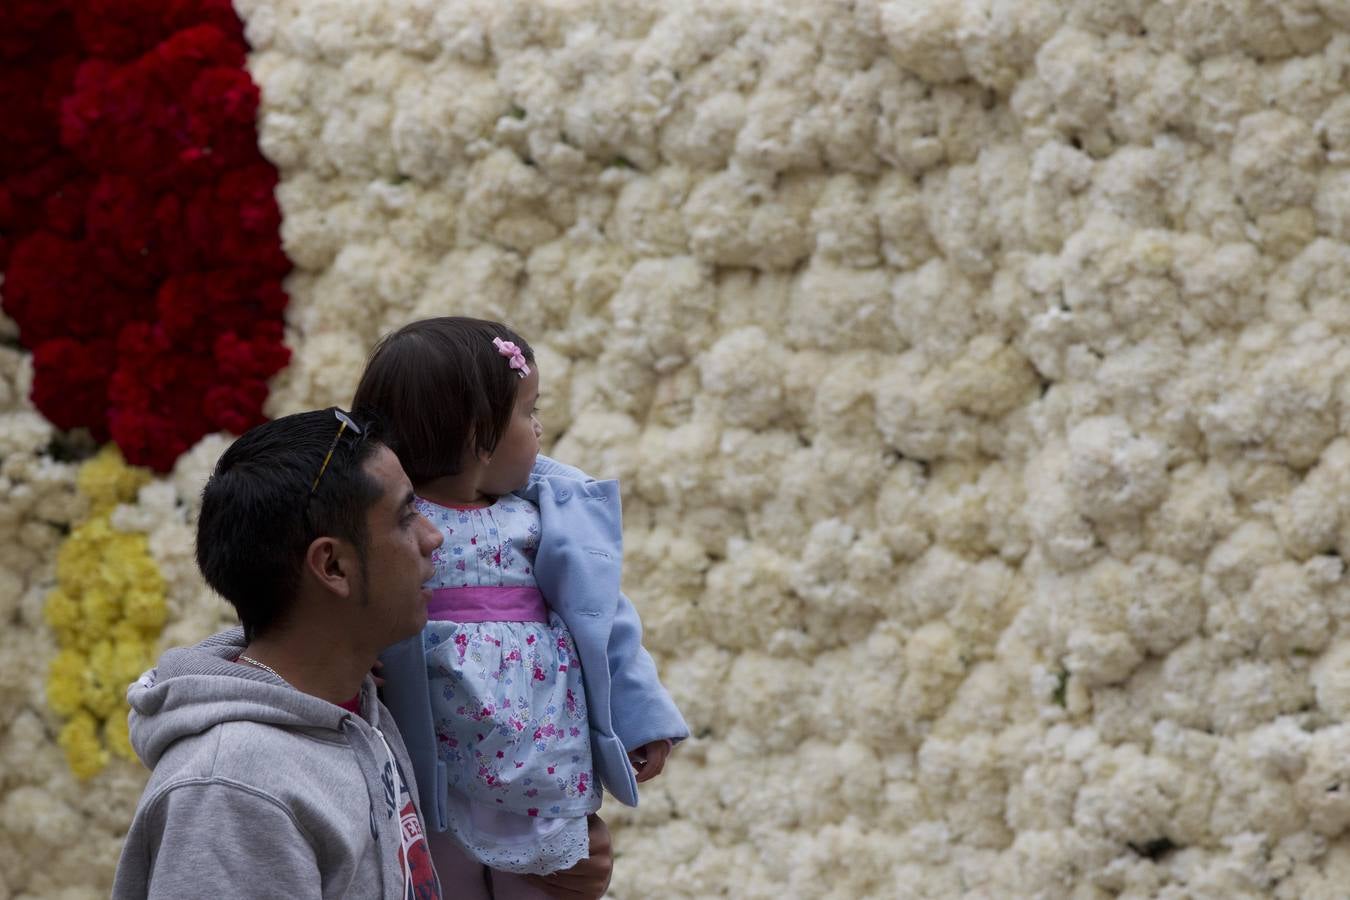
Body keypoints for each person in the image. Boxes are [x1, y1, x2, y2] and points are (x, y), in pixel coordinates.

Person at [111, 408, 615, 899]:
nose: (434, 537)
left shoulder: (361, 709)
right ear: (332, 566)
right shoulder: (232, 790)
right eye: (406, 517)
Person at [352, 317, 688, 900]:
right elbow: (350, 605)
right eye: (529, 413)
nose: (539, 428)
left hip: (541, 753)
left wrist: (641, 717)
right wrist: (358, 658)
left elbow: (604, 622)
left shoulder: (540, 516)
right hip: (439, 769)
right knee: (435, 873)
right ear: (478, 435)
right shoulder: (391, 527)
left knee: (545, 876)